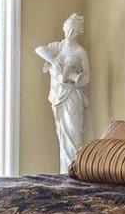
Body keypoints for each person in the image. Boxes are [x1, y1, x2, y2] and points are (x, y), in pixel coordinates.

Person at [35, 14, 91, 173]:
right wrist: (54, 62)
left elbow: (86, 77)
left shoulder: (80, 52)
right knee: (62, 136)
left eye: (73, 31)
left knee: (73, 135)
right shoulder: (58, 47)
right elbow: (39, 49)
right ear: (65, 28)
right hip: (58, 96)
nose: (70, 34)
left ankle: (72, 173)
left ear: (78, 33)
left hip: (72, 96)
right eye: (68, 30)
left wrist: (74, 77)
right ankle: (64, 174)